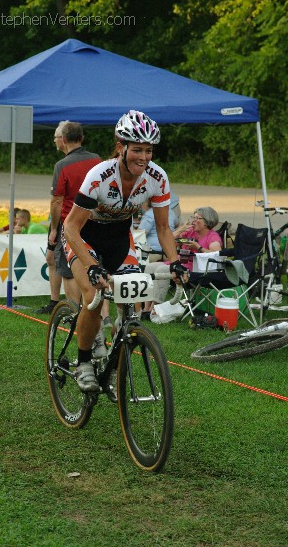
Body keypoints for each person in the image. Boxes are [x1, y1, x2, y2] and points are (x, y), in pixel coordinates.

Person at [63, 110, 188, 392]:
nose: (143, 157)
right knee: (94, 295)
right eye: (137, 150)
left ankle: (116, 359)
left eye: (149, 150)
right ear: (121, 147)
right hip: (84, 236)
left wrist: (175, 262)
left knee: (129, 302)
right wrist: (92, 265)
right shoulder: (99, 176)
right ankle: (83, 361)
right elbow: (71, 227)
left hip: (119, 237)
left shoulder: (157, 178)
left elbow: (164, 229)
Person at [37, 121, 101, 311]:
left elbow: (56, 201)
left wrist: (55, 229)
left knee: (68, 270)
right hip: (92, 220)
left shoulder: (62, 165)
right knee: (90, 263)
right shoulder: (97, 160)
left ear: (63, 140)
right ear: (81, 138)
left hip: (69, 223)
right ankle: (88, 306)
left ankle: (76, 312)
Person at [142, 206, 223, 317]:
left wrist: (198, 247)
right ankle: (146, 308)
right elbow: (168, 239)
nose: (193, 221)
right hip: (180, 264)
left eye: (197, 218)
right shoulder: (190, 232)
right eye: (193, 217)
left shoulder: (213, 237)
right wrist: (180, 230)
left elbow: (216, 255)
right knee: (150, 267)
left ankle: (155, 308)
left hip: (196, 269)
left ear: (207, 222)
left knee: (162, 269)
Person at [139, 198, 178, 262]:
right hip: (168, 251)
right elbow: (176, 224)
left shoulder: (149, 214)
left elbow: (141, 234)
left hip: (153, 251)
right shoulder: (170, 212)